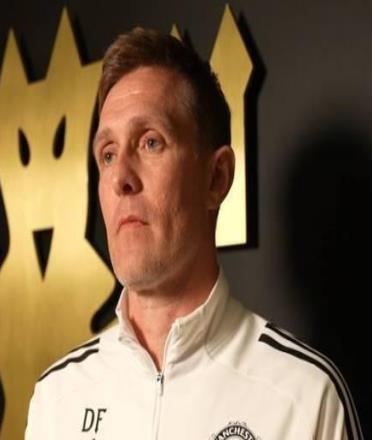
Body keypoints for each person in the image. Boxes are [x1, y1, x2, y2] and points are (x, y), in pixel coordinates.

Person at [25, 27, 363, 439]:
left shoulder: (305, 397)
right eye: (108, 154)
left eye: (150, 142)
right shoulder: (57, 398)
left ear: (216, 178)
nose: (120, 178)